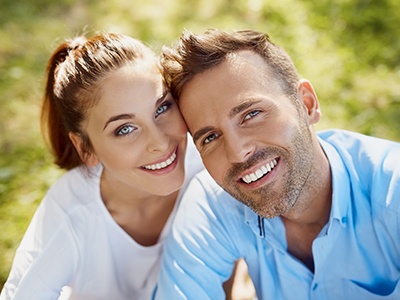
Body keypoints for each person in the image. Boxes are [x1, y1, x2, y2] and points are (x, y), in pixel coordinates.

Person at [153, 28, 400, 299]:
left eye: (252, 114)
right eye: (210, 137)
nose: (237, 152)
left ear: (307, 104)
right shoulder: (214, 205)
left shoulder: (391, 189)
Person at [0, 32, 206, 300]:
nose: (160, 143)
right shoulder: (70, 213)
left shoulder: (205, 166)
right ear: (86, 147)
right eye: (125, 129)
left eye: (161, 108)